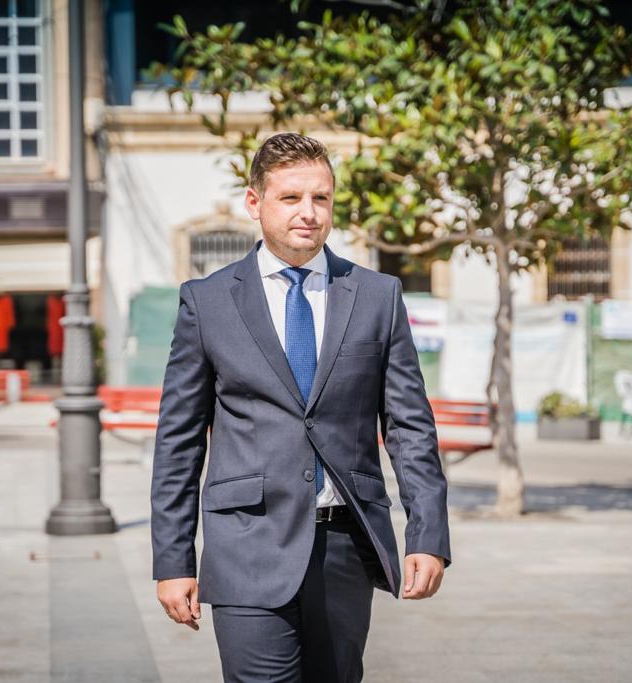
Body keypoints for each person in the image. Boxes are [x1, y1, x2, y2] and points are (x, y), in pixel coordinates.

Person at [151, 132, 451, 682]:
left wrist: (427, 535)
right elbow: (179, 441)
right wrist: (173, 560)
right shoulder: (208, 302)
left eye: (321, 198)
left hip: (345, 546)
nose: (308, 213)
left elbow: (410, 426)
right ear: (255, 202)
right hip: (246, 545)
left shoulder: (377, 296)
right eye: (290, 197)